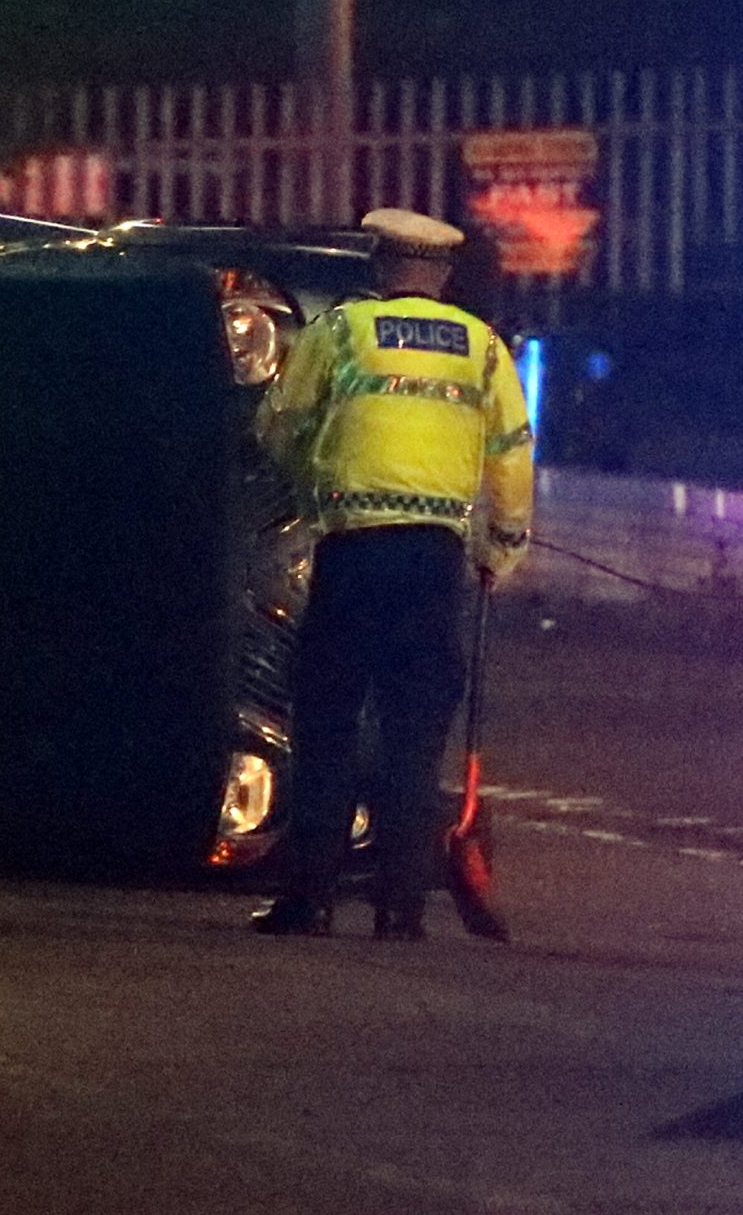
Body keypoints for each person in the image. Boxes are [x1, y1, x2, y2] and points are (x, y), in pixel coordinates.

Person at [248, 208, 536, 939]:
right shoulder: (483, 351)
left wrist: (313, 486)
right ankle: (401, 906)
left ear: (381, 267)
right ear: (440, 275)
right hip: (434, 565)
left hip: (352, 556)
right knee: (415, 732)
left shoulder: (343, 331)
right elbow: (511, 457)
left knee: (329, 723)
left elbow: (279, 425)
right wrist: (499, 549)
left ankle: (308, 898)